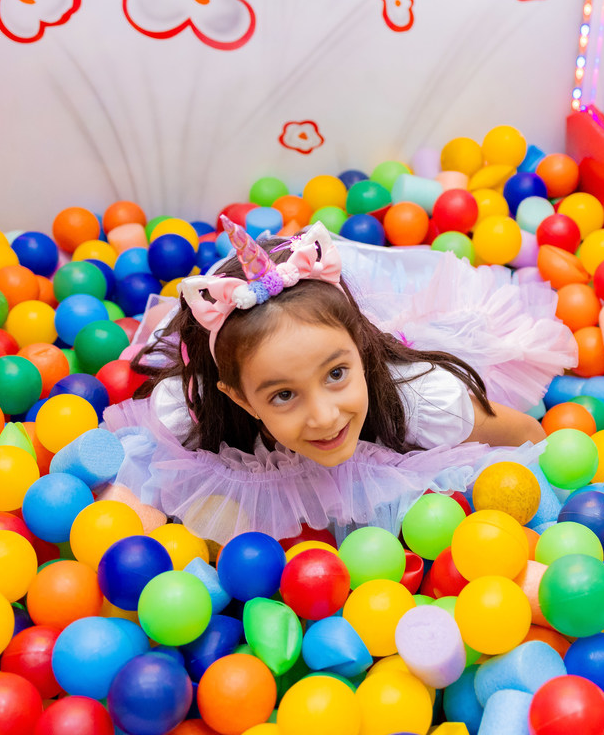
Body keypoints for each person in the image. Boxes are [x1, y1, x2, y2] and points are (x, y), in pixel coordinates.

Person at [103, 217, 577, 544]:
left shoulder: (427, 401)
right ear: (241, 398)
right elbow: (137, 482)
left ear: (362, 348)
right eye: (284, 395)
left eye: (336, 375)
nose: (325, 415)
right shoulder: (193, 410)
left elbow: (528, 439)